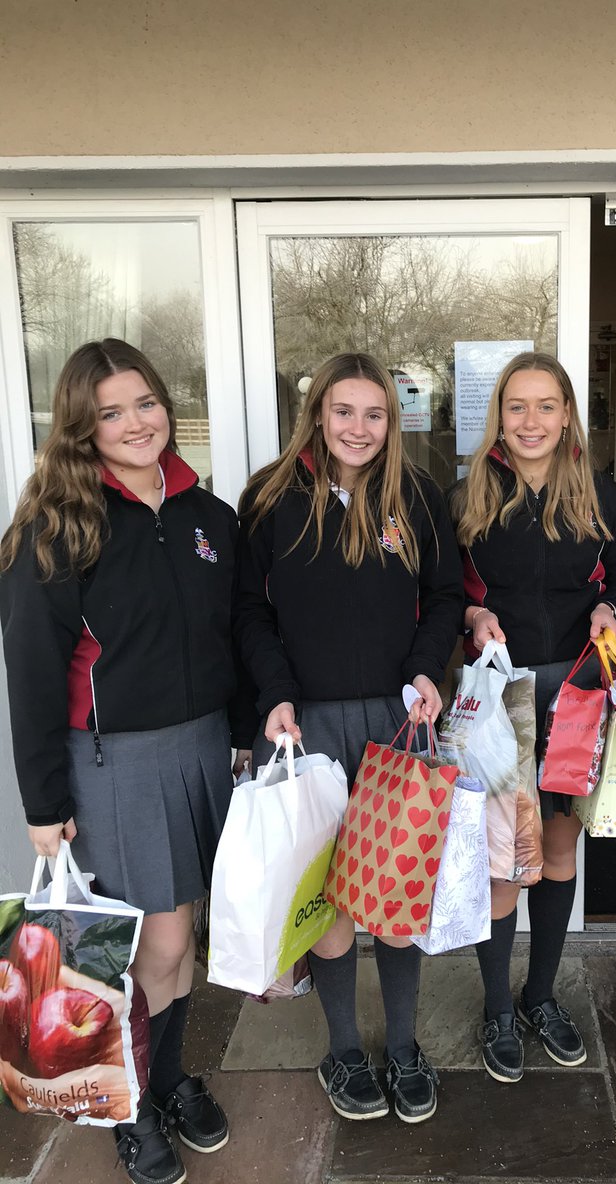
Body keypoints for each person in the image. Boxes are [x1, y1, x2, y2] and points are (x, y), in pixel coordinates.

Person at [0, 339, 254, 1184]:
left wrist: (246, 731)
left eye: (144, 403)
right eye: (110, 413)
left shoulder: (209, 518)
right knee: (145, 944)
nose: (135, 423)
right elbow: (34, 674)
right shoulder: (56, 527)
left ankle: (169, 1078)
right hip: (114, 765)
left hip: (204, 749)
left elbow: (234, 637)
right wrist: (42, 802)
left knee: (183, 940)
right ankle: (131, 1105)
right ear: (82, 427)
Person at [234, 351, 462, 1124]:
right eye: (343, 412)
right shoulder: (269, 499)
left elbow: (443, 597)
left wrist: (431, 668)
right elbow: (250, 615)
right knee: (328, 902)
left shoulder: (420, 499)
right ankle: (342, 1048)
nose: (358, 428)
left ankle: (402, 1046)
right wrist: (276, 694)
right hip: (307, 726)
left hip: (398, 724)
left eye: (374, 414)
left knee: (395, 893)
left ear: (391, 421)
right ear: (318, 415)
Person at [450, 350, 616, 1083]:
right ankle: (497, 1004)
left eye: (546, 406)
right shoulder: (468, 494)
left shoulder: (597, 490)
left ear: (567, 415)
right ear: (499, 415)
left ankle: (540, 996)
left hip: (574, 691)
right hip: (500, 693)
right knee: (506, 861)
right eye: (517, 406)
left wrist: (609, 607)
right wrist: (470, 612)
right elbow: (441, 590)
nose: (531, 421)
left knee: (558, 851)